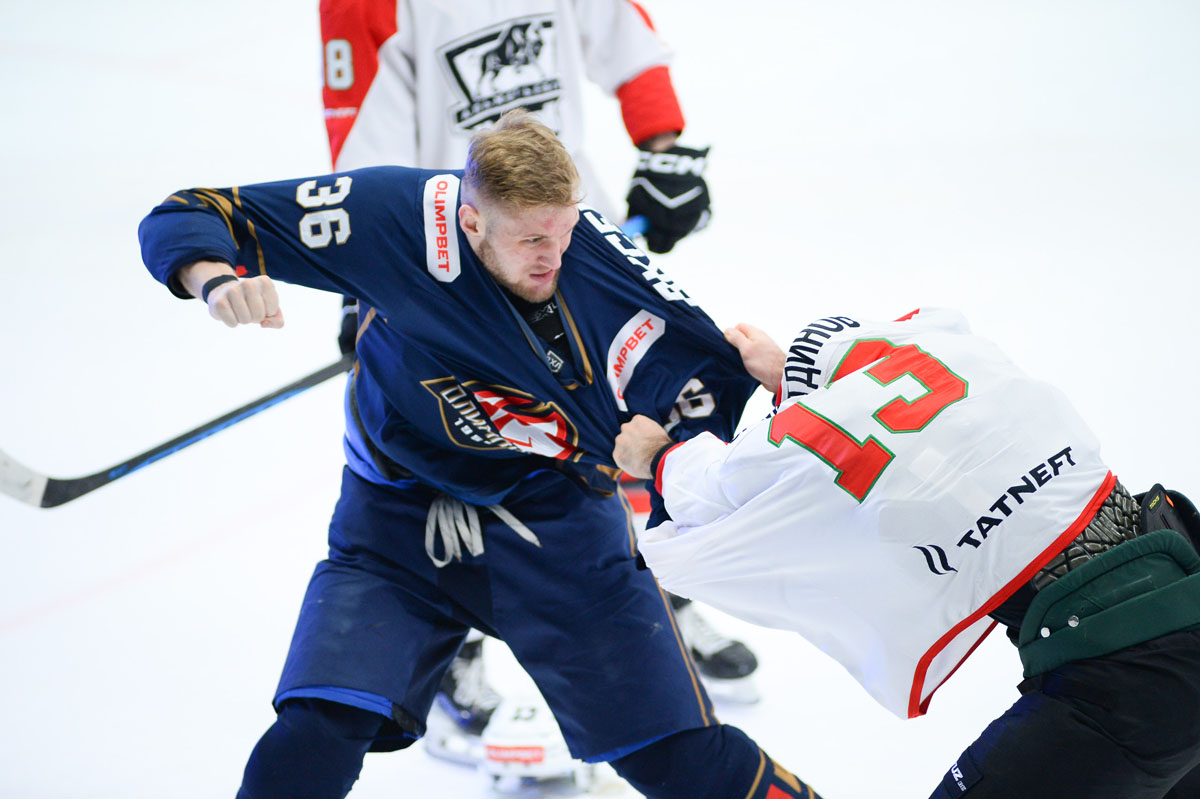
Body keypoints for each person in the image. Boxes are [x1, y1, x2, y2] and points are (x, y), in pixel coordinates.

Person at [138, 111, 821, 799]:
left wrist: (676, 439)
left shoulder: (604, 271)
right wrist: (215, 278)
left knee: (681, 758)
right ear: (469, 222)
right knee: (318, 727)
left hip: (555, 522)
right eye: (531, 239)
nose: (554, 256)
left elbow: (720, 399)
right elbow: (190, 213)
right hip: (396, 512)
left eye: (565, 229)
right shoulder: (391, 216)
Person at [318, 0, 757, 743]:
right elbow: (367, 139)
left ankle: (662, 595)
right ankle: (453, 648)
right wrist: (368, 277)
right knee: (461, 445)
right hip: (453, 264)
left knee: (625, 424)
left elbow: (624, 37)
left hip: (572, 236)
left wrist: (663, 146)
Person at [613, 307, 1200, 798]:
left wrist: (658, 456)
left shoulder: (837, 451)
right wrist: (790, 367)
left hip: (1122, 695)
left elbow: (713, 496)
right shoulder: (967, 362)